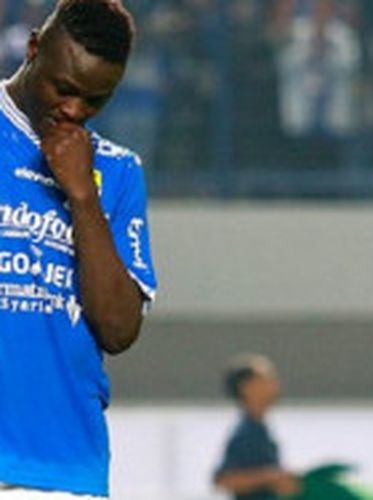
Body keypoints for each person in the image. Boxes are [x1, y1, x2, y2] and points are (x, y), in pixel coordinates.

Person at [0, 0, 157, 498]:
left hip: (64, 471)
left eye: (95, 100)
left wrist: (83, 197)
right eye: (64, 89)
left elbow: (118, 329)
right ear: (33, 48)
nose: (74, 110)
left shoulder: (118, 171)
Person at [214, 353, 301, 500]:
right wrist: (272, 477)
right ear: (246, 388)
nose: (274, 385)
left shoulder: (260, 429)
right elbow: (224, 480)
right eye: (265, 380)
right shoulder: (247, 432)